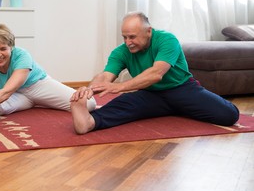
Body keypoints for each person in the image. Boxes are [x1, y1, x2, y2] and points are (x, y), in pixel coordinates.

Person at [70, 11, 239, 134]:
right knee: (122, 105)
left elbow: (157, 73)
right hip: (150, 94)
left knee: (229, 115)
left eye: (133, 37)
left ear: (149, 31)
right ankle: (89, 122)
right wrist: (89, 89)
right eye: (125, 37)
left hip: (182, 89)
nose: (128, 42)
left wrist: (119, 87)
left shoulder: (167, 40)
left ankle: (181, 107)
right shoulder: (121, 52)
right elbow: (105, 76)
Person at [0, 24, 96, 130]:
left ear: (11, 47)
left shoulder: (22, 56)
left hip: (39, 86)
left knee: (89, 104)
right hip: (17, 96)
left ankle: (43, 103)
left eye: (3, 48)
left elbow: (6, 92)